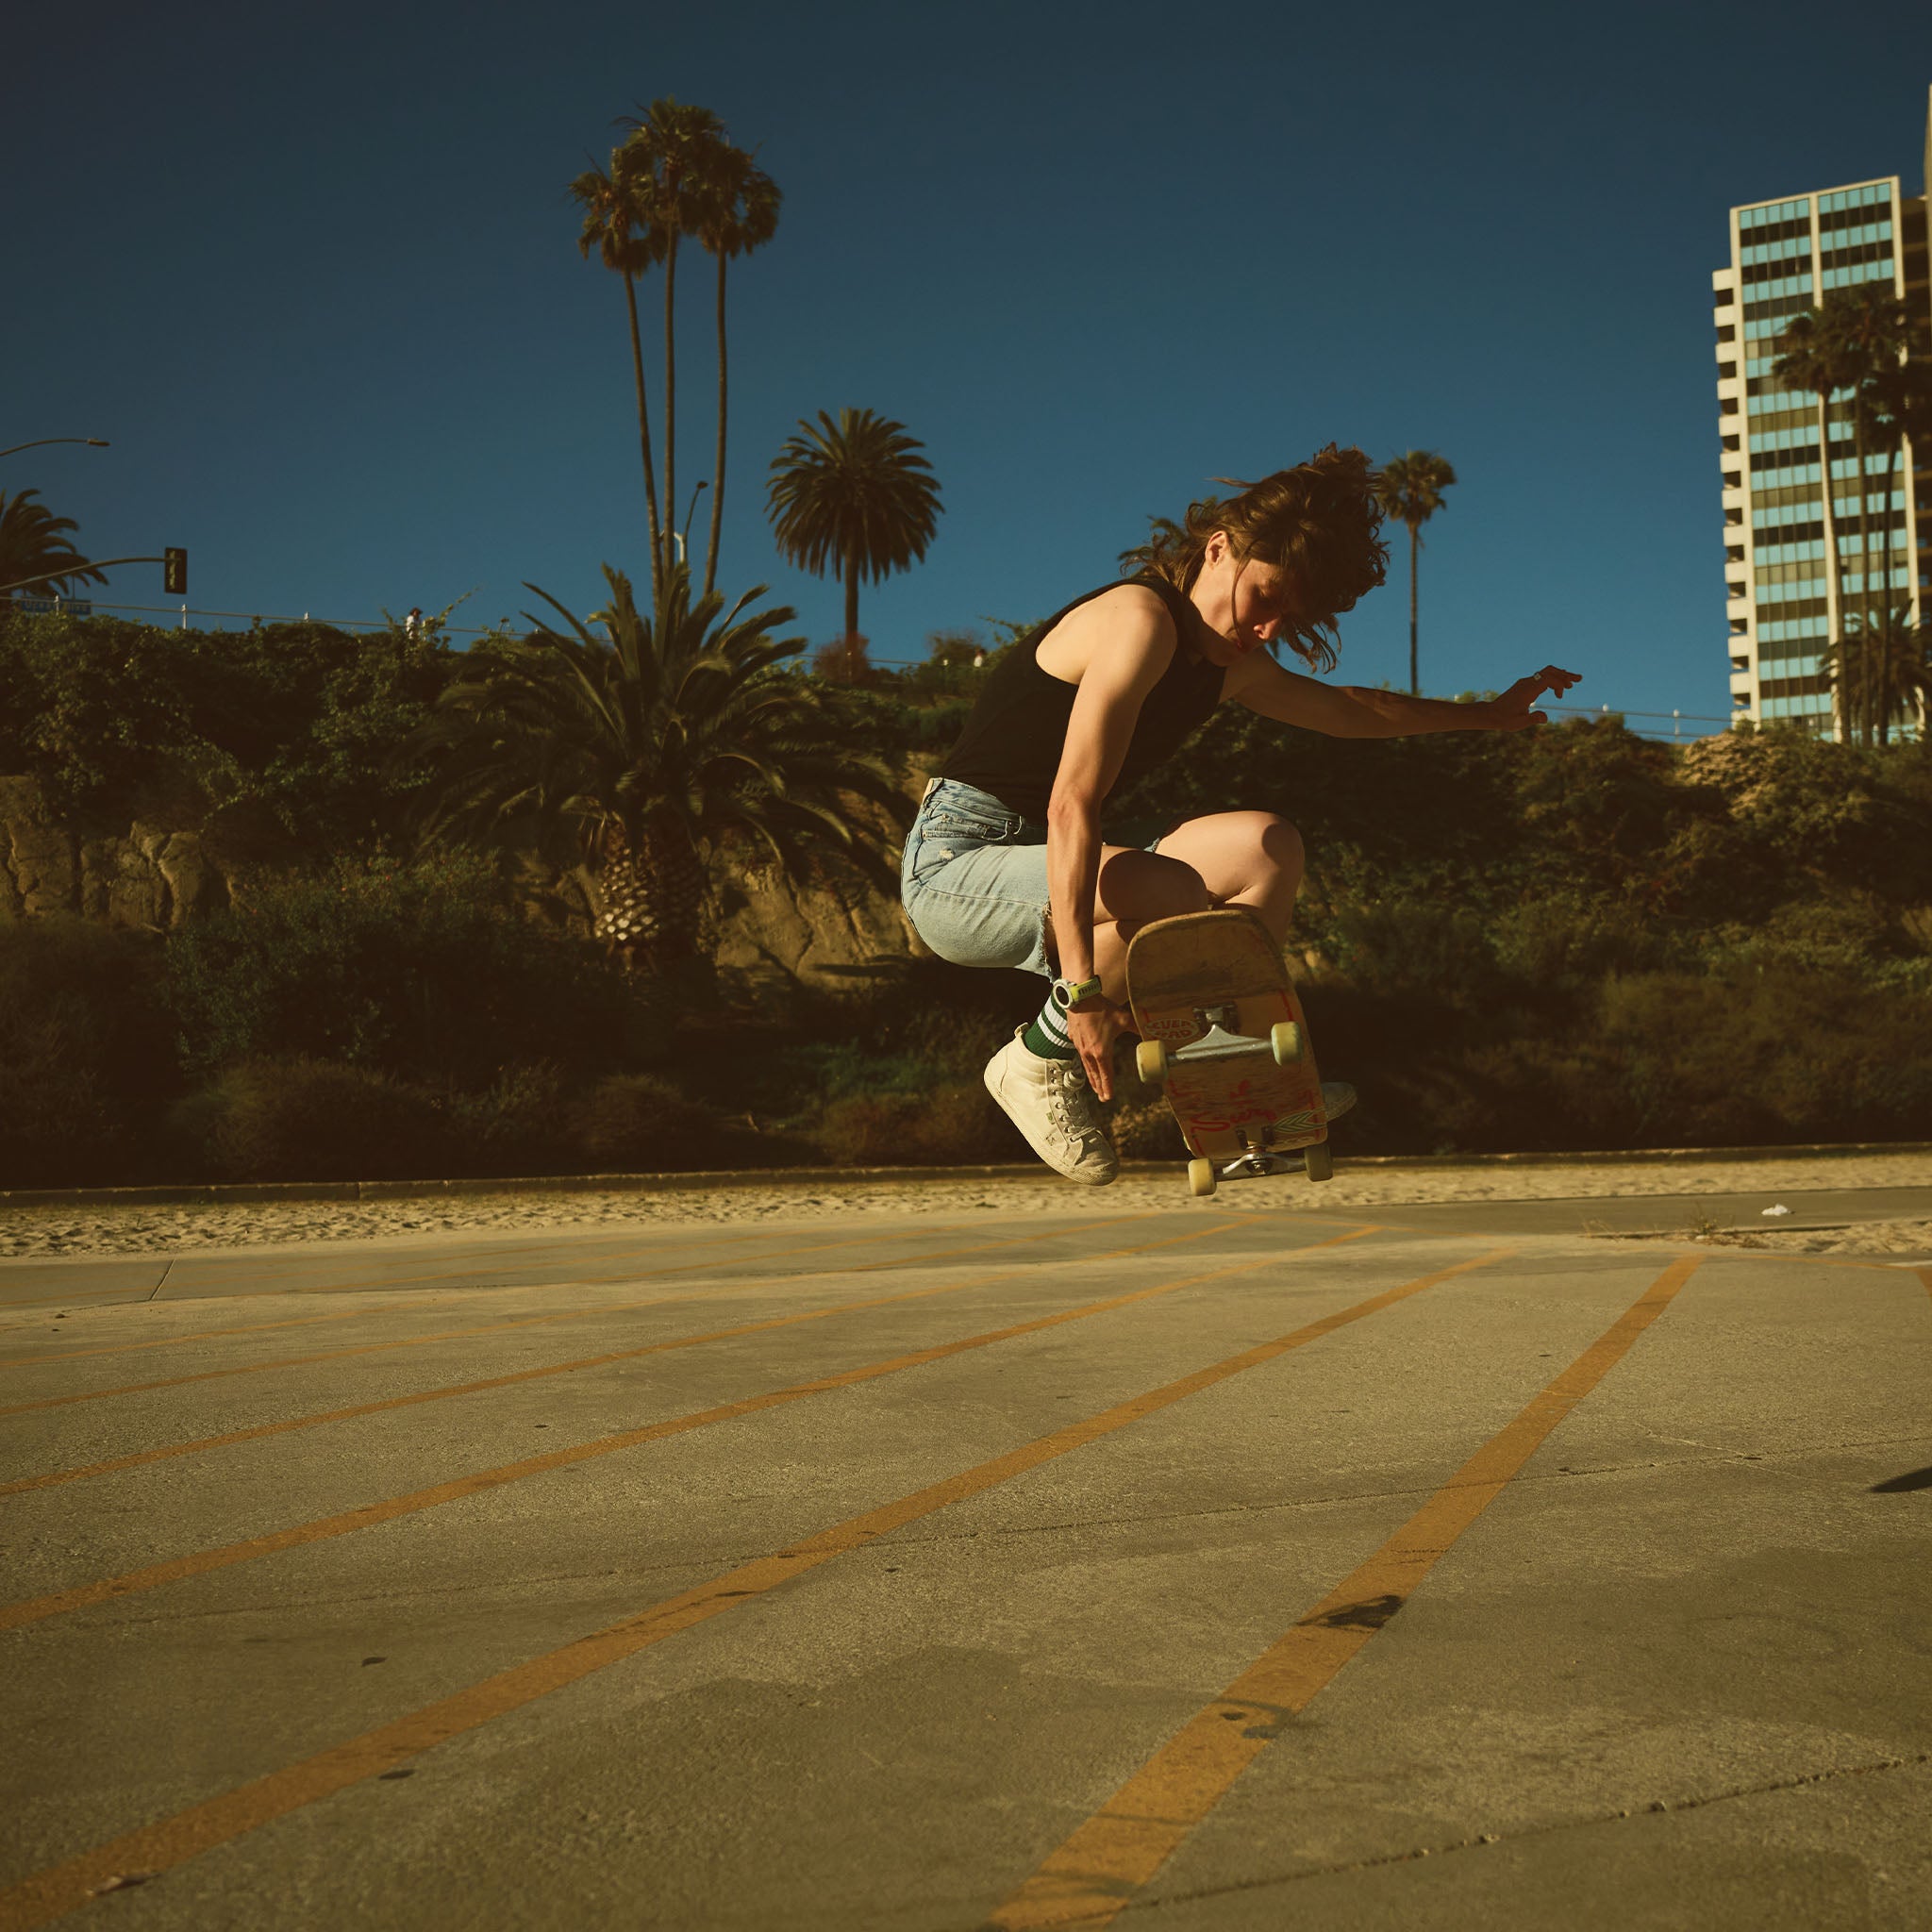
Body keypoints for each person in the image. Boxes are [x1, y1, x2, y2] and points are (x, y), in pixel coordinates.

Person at [898, 444, 1581, 1185]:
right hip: (956, 868)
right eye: (1265, 598)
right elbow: (1072, 806)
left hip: (1051, 859)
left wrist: (1487, 716)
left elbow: (1352, 711)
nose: (1266, 631)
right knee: (1172, 892)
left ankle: (1242, 1072)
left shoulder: (1231, 664)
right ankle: (1038, 1058)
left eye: (1288, 616)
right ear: (1218, 549)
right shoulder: (1138, 621)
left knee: (1267, 846)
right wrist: (1085, 992)